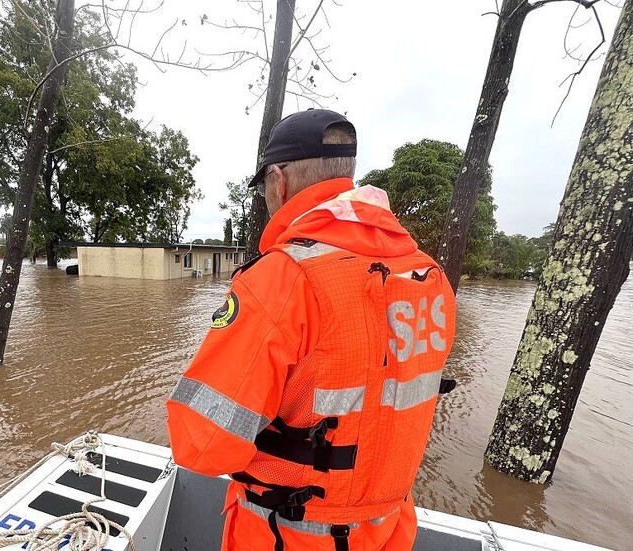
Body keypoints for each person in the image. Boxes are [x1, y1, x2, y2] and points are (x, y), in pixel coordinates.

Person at [166, 109, 457, 551]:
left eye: (263, 186)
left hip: (286, 535)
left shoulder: (282, 280)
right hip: (387, 531)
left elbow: (202, 446)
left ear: (278, 180)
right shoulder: (428, 277)